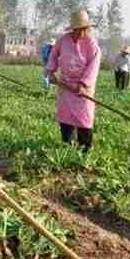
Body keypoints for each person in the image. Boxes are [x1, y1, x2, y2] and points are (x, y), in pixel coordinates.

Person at [46, 10, 101, 153]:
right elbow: (53, 56)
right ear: (73, 29)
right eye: (79, 29)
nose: (82, 32)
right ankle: (66, 145)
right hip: (65, 86)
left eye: (85, 29)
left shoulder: (92, 44)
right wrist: (51, 72)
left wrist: (83, 85)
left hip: (83, 88)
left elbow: (93, 66)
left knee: (84, 119)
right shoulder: (63, 40)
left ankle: (85, 149)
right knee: (65, 117)